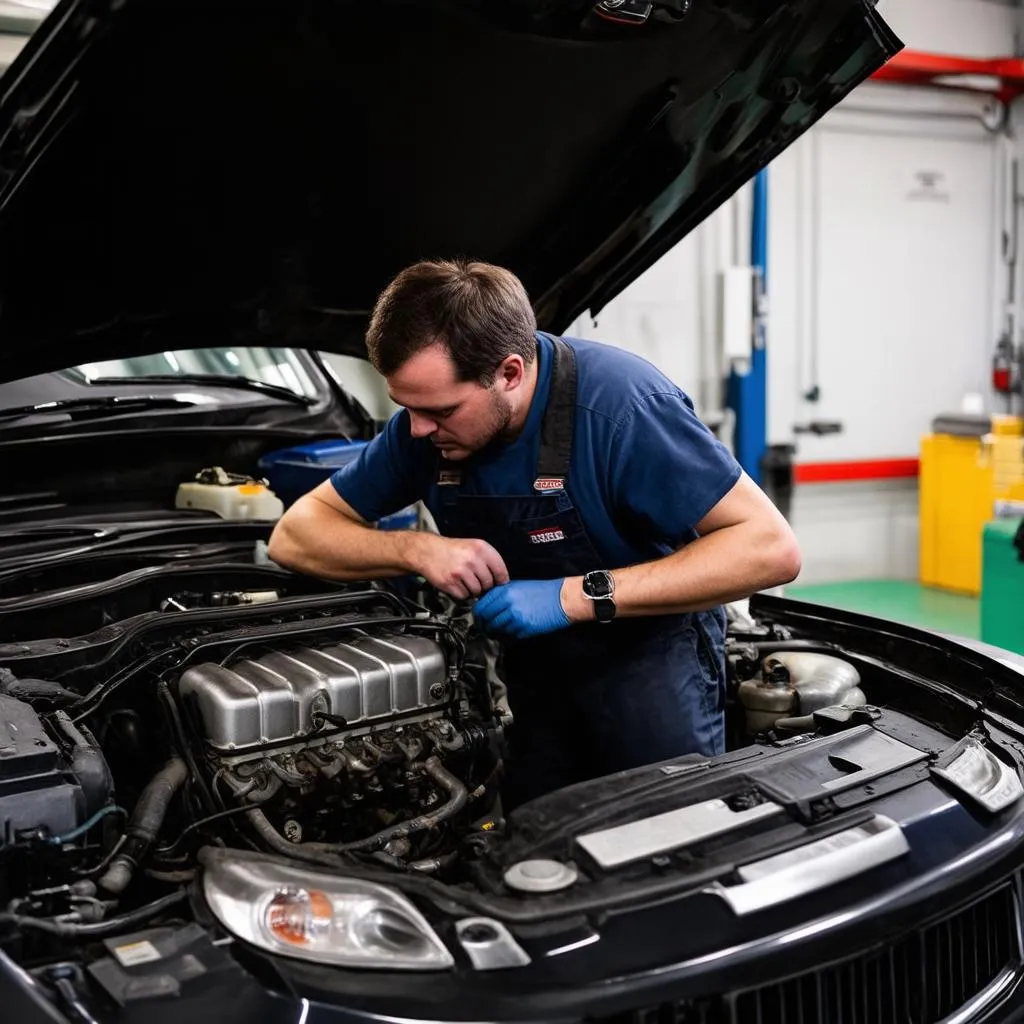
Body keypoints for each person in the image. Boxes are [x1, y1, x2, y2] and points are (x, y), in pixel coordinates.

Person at [268, 259, 801, 809]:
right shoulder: (421, 428)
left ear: (510, 373)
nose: (419, 430)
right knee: (532, 844)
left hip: (650, 676)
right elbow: (296, 534)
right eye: (407, 408)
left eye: (440, 410)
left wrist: (574, 596)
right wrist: (415, 547)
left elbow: (769, 548)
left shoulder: (623, 409)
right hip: (533, 680)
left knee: (664, 842)